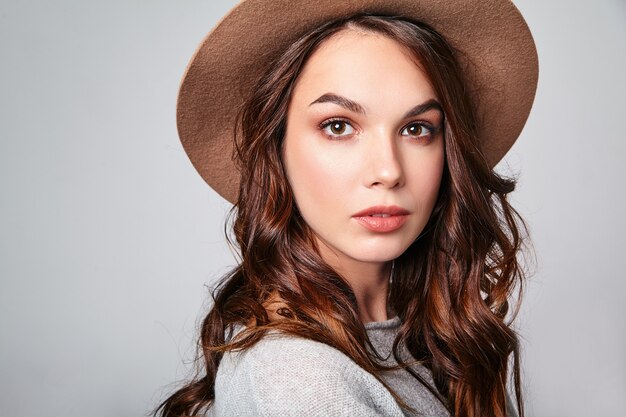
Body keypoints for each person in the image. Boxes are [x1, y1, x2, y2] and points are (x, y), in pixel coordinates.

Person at [155, 0, 538, 416]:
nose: (388, 171)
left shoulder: (419, 339)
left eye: (416, 129)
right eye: (338, 126)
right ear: (277, 148)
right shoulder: (300, 381)